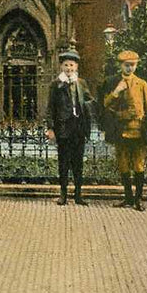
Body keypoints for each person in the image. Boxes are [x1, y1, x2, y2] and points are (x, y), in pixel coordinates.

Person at [103, 50, 147, 211]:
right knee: (124, 164)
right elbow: (105, 104)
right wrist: (116, 92)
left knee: (139, 165)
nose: (129, 68)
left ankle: (138, 199)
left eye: (132, 65)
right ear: (121, 66)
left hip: (138, 130)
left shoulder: (142, 84)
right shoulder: (113, 82)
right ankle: (127, 198)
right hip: (121, 130)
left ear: (136, 65)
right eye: (126, 65)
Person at [47, 50, 93, 206]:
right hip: (63, 128)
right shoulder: (56, 84)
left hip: (78, 127)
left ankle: (78, 195)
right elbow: (50, 108)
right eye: (66, 65)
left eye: (71, 65)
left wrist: (87, 107)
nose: (69, 68)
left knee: (78, 162)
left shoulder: (81, 83)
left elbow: (89, 101)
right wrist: (51, 128)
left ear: (76, 66)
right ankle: (63, 194)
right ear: (61, 66)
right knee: (64, 162)